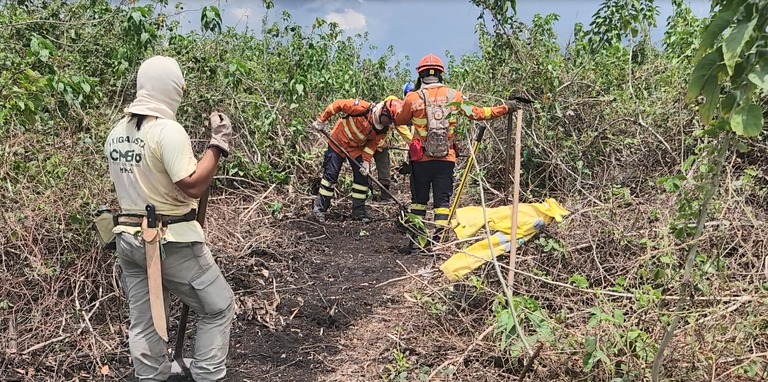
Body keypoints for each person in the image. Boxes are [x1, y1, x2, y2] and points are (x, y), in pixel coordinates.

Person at [104, 55, 235, 382]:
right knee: (218, 306)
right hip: (170, 241)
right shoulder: (167, 131)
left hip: (128, 239)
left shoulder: (116, 133)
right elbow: (192, 185)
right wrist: (217, 145)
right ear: (172, 90)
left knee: (144, 321)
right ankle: (207, 376)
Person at [393, 53, 515, 254]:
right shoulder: (455, 96)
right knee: (442, 204)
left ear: (420, 75)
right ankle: (439, 242)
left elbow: (399, 121)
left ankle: (417, 243)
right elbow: (478, 113)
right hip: (446, 159)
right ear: (441, 75)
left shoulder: (412, 98)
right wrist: (505, 108)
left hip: (420, 160)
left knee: (418, 202)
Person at [312, 97, 403, 223]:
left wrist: (366, 162)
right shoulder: (362, 108)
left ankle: (358, 213)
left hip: (355, 148)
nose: (389, 123)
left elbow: (372, 146)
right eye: (389, 120)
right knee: (330, 176)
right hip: (338, 142)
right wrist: (322, 119)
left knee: (362, 178)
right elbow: (337, 105)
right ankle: (319, 210)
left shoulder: (383, 129)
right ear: (383, 112)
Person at [371, 95, 414, 202]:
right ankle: (367, 192)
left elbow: (405, 134)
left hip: (381, 145)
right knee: (364, 168)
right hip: (368, 144)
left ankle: (385, 195)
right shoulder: (375, 112)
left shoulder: (395, 115)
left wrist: (416, 145)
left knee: (384, 168)